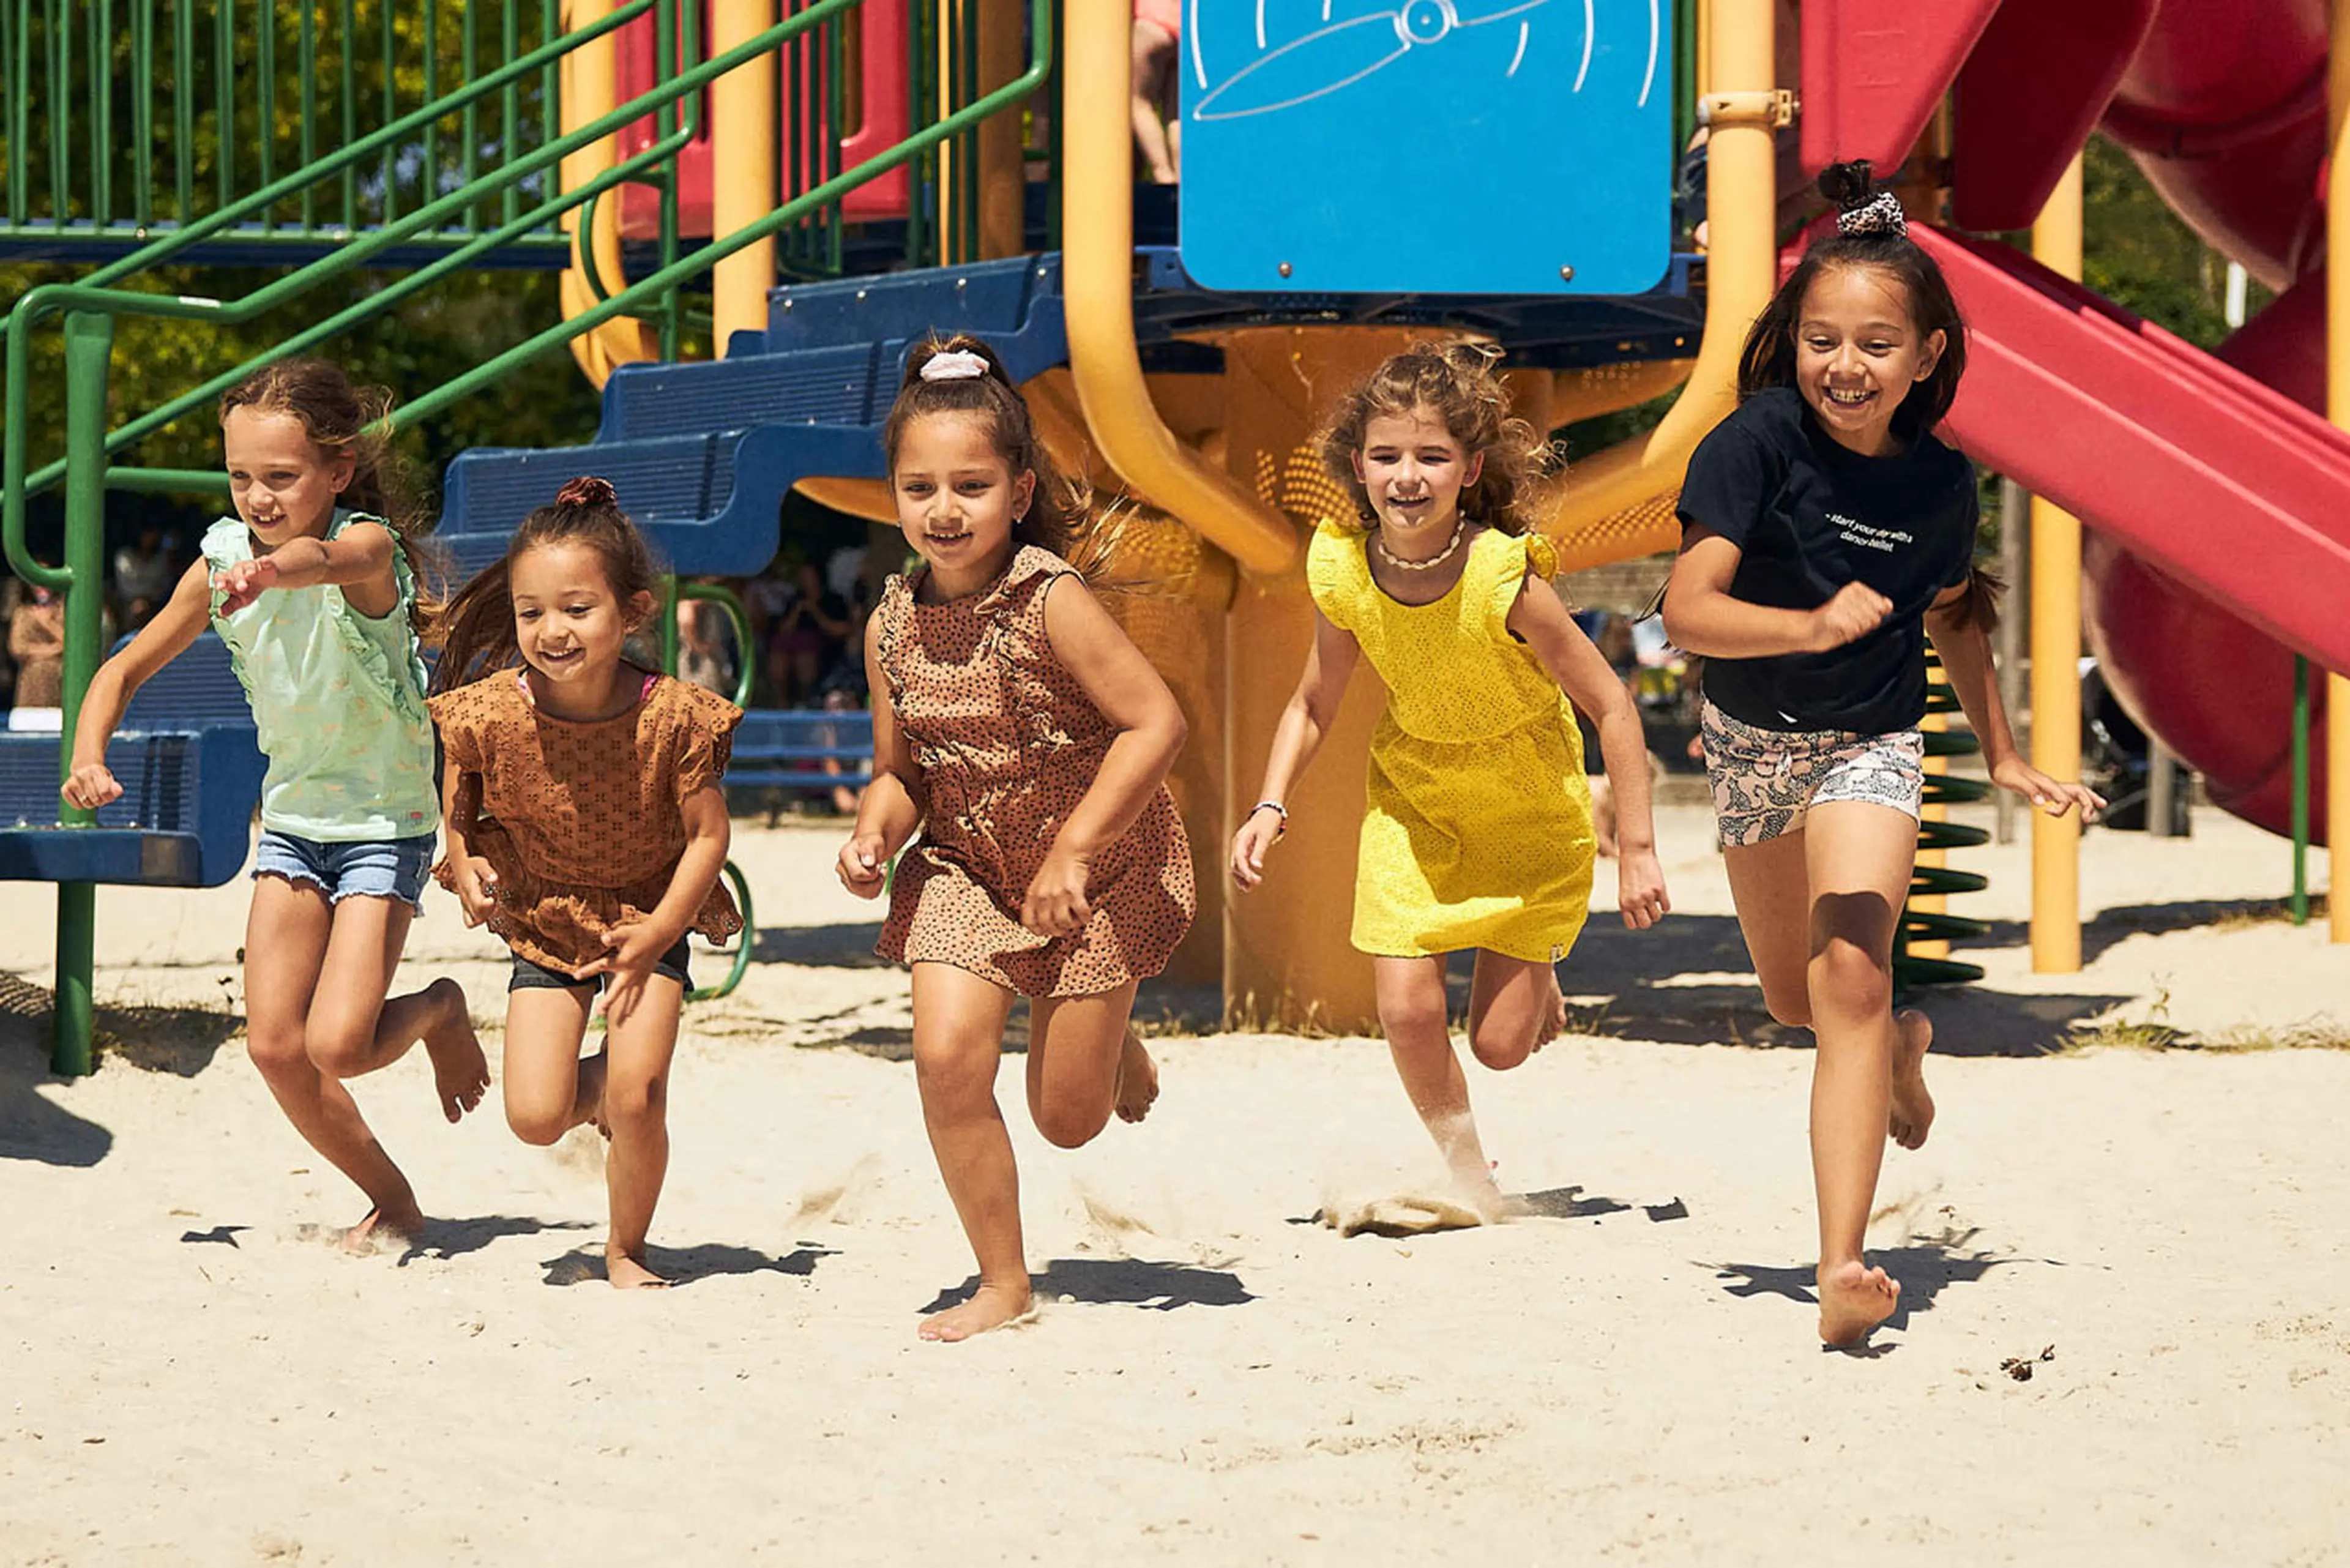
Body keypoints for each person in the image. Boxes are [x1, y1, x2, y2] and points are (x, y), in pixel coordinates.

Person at [1662, 162, 2104, 1346]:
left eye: (1873, 343)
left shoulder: (1940, 483)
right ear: (1792, 343)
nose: (1843, 365)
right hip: (1752, 741)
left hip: (1871, 737)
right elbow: (1687, 609)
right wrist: (1804, 624)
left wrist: (2004, 752)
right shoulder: (1751, 445)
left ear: (1927, 354)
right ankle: (1905, 1050)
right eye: (1820, 339)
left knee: (1848, 975)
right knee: (1791, 997)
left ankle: (1843, 1264)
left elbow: (1957, 610)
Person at [1230, 340, 1669, 1220]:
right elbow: (1314, 702)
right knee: (1404, 1010)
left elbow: (1614, 707)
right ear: (1358, 467)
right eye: (1387, 456)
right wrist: (1270, 802)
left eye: (1431, 457)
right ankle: (1470, 1174)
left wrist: (1640, 850)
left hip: (1528, 806)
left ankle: (1539, 970)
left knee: (1501, 1046)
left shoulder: (1505, 576)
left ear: (1469, 470)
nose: (1407, 476)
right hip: (1415, 797)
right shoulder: (1343, 567)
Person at [61, 359, 487, 1246]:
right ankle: (395, 1201)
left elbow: (317, 559)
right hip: (295, 823)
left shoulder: (368, 549)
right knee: (274, 1046)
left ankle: (442, 1007)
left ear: (337, 471)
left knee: (341, 1043)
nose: (258, 496)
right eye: (240, 476)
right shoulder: (220, 561)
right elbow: (121, 667)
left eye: (282, 477)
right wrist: (89, 753)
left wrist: (272, 575)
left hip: (384, 825)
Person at [837, 335, 1194, 1342]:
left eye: (972, 485)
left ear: (1019, 486)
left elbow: (1155, 723)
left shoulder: (1051, 599)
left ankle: (1110, 1042)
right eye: (920, 488)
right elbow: (902, 773)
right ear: (894, 496)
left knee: (1066, 1119)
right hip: (971, 869)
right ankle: (1003, 1281)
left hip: (1099, 865)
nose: (944, 509)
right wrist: (874, 830)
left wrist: (1077, 850)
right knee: (947, 1059)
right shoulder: (890, 624)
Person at [431, 477, 740, 1291]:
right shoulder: (492, 710)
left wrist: (661, 932)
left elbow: (711, 834)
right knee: (536, 1115)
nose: (551, 630)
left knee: (640, 1100)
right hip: (545, 914)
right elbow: (458, 786)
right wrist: (462, 859)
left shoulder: (672, 717)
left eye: (577, 609)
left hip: (649, 912)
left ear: (631, 611)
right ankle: (602, 1089)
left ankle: (626, 1246)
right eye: (532, 612)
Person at [1132, 0, 1182, 184]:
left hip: (1151, 23)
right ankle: (1181, 174)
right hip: (1184, 25)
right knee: (1177, 112)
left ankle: (1162, 172)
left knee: (1137, 101)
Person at [8, 581, 64, 710]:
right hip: (33, 679)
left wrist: (48, 624)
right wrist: (53, 649)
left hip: (59, 677)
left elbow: (71, 643)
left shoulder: (62, 610)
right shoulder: (23, 613)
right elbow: (18, 647)